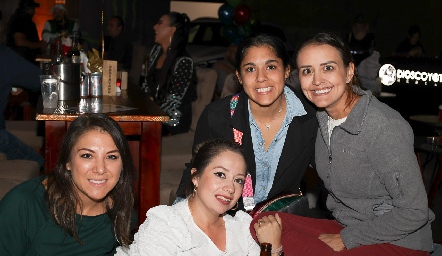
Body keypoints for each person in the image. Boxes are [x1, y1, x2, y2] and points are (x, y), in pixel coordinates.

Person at [272, 32, 433, 255]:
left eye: (328, 68)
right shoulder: (319, 120)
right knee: (265, 223)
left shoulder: (383, 127)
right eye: (307, 71)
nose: (317, 80)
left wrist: (348, 239)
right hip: (348, 225)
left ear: (349, 72)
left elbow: (414, 212)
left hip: (399, 240)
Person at [175, 33, 318, 212]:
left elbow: (333, 177)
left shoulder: (310, 119)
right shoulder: (217, 117)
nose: (261, 77)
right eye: (250, 69)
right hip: (226, 217)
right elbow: (197, 171)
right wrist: (178, 219)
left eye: (271, 67)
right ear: (239, 77)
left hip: (281, 221)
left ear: (287, 71)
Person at [116, 138, 283, 255]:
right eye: (220, 174)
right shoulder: (166, 225)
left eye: (238, 180)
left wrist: (273, 247)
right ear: (195, 177)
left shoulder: (242, 227)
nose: (230, 188)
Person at [0, 113, 137, 255]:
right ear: (68, 162)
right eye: (87, 155)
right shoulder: (24, 205)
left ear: (122, 164)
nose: (100, 169)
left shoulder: (121, 214)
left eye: (111, 157)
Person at [140, 12, 196, 135]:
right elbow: (145, 86)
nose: (155, 27)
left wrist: (149, 114)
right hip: (154, 115)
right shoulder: (156, 54)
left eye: (160, 23)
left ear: (172, 30)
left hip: (172, 121)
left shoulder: (183, 62)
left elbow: (173, 102)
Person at [0, 11, 44, 169]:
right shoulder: (4, 56)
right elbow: (40, 80)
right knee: (39, 163)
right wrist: (17, 79)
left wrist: (11, 80)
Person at [6, 0, 46, 64]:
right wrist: (39, 45)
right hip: (22, 60)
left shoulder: (20, 19)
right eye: (33, 9)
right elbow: (20, 42)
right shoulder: (21, 19)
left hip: (22, 60)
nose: (34, 11)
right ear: (30, 9)